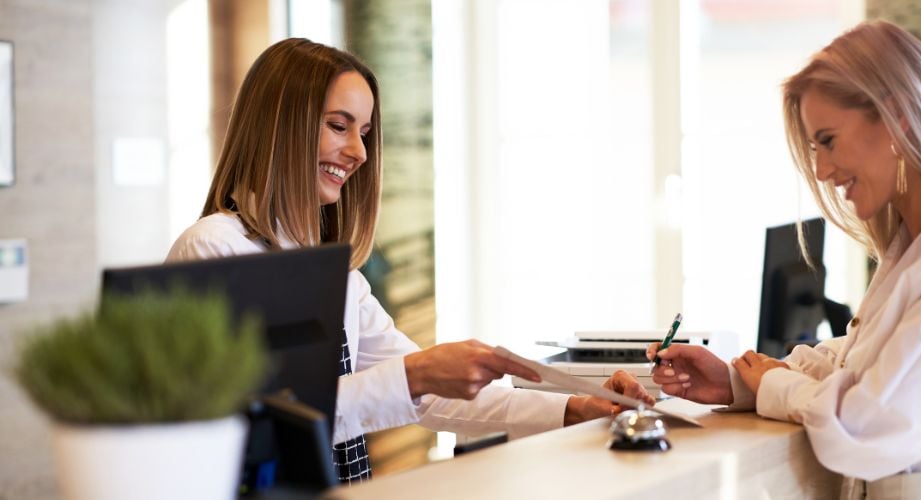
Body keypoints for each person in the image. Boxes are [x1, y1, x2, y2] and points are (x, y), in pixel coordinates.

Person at [166, 38, 653, 485]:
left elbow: (429, 397)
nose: (357, 151)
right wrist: (416, 374)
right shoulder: (214, 248)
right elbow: (258, 422)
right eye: (338, 125)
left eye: (365, 132)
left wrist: (577, 408)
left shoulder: (336, 275)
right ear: (281, 125)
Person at [646, 20, 921, 499]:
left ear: (898, 117)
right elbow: (858, 368)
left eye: (828, 140)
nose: (822, 171)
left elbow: (867, 428)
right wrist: (736, 382)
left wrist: (776, 385)